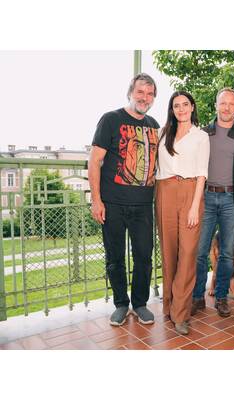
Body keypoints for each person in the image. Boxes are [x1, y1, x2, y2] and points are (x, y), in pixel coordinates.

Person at [88, 73, 159, 326]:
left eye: (150, 94)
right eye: (140, 92)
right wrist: (96, 200)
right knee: (115, 257)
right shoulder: (111, 119)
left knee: (144, 257)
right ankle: (121, 304)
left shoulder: (154, 125)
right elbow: (94, 161)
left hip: (143, 205)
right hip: (113, 204)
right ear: (130, 93)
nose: (145, 98)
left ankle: (139, 304)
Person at [191, 88, 234, 318]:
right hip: (206, 198)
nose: (227, 107)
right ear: (216, 106)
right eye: (223, 103)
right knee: (200, 251)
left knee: (227, 254)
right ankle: (197, 297)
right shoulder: (202, 134)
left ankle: (221, 297)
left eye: (231, 104)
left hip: (232, 200)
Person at [155, 91, 210, 335]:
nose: (181, 109)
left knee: (187, 254)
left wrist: (195, 206)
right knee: (169, 252)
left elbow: (202, 173)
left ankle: (180, 313)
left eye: (185, 104)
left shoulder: (201, 136)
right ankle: (169, 306)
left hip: (190, 192)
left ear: (192, 107)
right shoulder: (162, 133)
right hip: (165, 190)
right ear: (172, 109)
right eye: (176, 105)